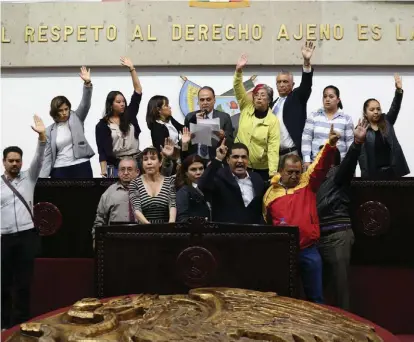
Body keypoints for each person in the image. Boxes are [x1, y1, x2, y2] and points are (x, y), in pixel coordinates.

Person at [263, 124, 340, 304]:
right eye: (289, 172)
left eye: (297, 172)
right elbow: (267, 221)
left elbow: (320, 165)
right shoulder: (270, 194)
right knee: (285, 298)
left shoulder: (307, 184)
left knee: (316, 298)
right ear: (280, 172)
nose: (294, 176)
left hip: (308, 250)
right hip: (282, 252)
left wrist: (330, 145)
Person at [316, 120, 369, 310]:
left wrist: (356, 144)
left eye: (324, 155)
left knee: (341, 290)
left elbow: (348, 164)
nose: (319, 158)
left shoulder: (338, 173)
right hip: (318, 239)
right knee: (321, 291)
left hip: (337, 236)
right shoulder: (313, 179)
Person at [1, 115, 46, 328]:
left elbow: (40, 156)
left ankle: (21, 325)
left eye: (18, 160)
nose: (15, 164)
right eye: (11, 160)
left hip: (27, 236)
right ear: (4, 162)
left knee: (23, 284)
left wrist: (42, 136)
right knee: (3, 284)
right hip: (5, 238)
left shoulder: (29, 177)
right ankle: (3, 325)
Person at [40, 66, 94, 178]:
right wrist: (41, 180)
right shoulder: (49, 131)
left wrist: (87, 83)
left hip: (81, 165)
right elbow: (48, 156)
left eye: (66, 109)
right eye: (60, 110)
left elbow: (85, 104)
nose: (64, 112)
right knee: (60, 196)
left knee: (86, 195)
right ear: (55, 112)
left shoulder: (76, 117)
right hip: (60, 168)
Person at [233, 54, 280, 181]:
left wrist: (273, 172)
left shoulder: (272, 121)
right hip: (239, 163)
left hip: (260, 168)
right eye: (256, 95)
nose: (259, 97)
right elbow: (238, 89)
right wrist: (238, 71)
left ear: (269, 100)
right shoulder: (246, 107)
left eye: (263, 95)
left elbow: (273, 148)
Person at [197, 140, 266, 224]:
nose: (240, 160)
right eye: (235, 157)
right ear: (228, 160)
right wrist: (218, 159)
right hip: (226, 233)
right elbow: (202, 185)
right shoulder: (219, 176)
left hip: (253, 233)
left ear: (248, 160)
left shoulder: (257, 179)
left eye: (243, 157)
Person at [96, 57, 143, 177]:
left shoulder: (130, 114)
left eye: (123, 101)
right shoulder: (102, 125)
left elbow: (138, 91)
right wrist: (103, 171)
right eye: (118, 102)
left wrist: (132, 69)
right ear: (111, 105)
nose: (122, 104)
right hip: (117, 164)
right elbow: (102, 151)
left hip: (136, 161)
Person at [359, 74, 408, 179]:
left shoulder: (387, 121)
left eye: (378, 109)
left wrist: (398, 91)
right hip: (373, 175)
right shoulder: (362, 130)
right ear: (365, 113)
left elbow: (395, 107)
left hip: (393, 172)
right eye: (372, 110)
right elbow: (362, 157)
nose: (376, 112)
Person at [272, 41, 315, 159]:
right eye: (279, 82)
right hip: (275, 155)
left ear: (292, 84)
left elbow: (306, 84)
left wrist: (306, 62)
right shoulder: (272, 104)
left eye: (285, 82)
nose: (281, 85)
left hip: (293, 153)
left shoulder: (297, 97)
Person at [302, 85, 354, 168]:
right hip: (316, 164)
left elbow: (350, 143)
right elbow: (306, 139)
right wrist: (306, 160)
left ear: (338, 100)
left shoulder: (346, 118)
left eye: (331, 96)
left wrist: (349, 163)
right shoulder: (314, 115)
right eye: (325, 96)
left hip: (340, 165)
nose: (327, 99)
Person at [92, 157, 139, 246]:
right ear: (118, 172)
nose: (125, 173)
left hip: (142, 242)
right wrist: (96, 242)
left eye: (129, 169)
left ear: (137, 172)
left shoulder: (145, 190)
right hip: (115, 243)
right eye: (122, 169)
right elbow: (100, 220)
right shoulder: (109, 193)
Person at [184, 86, 234, 160]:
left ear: (214, 100)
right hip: (195, 160)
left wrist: (223, 136)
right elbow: (184, 144)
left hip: (216, 159)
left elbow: (231, 142)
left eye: (208, 99)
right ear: (198, 101)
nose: (205, 103)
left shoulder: (224, 117)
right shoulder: (190, 117)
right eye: (202, 100)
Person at [129, 147, 176, 224]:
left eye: (153, 158)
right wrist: (150, 227)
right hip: (145, 230)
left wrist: (170, 227)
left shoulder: (170, 181)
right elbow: (136, 209)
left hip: (166, 230)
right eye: (145, 159)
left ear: (160, 162)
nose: (149, 162)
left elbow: (172, 205)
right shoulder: (135, 183)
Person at [175, 154, 210, 222]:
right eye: (193, 169)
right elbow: (182, 218)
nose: (198, 172)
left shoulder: (209, 188)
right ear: (186, 173)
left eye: (201, 168)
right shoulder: (183, 191)